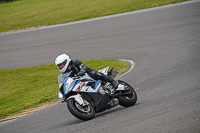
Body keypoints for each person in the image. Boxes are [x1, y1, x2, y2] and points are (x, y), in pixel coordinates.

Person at [55, 53, 119, 91]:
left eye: (61, 65)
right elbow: (65, 81)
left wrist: (81, 71)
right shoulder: (65, 73)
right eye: (59, 66)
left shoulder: (74, 62)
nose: (60, 67)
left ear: (65, 62)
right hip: (80, 81)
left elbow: (84, 66)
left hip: (87, 74)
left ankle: (113, 81)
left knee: (94, 74)